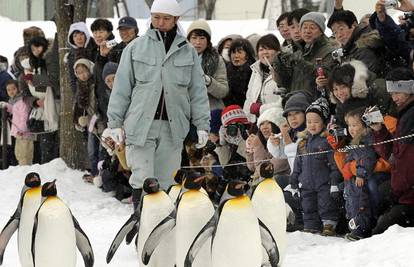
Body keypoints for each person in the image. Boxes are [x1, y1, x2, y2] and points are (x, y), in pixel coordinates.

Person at [105, 0, 210, 210]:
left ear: (176, 20)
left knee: (166, 180)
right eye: (156, 17)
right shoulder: (135, 47)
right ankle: (141, 222)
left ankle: (163, 227)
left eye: (166, 18)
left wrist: (202, 125)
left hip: (173, 126)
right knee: (142, 177)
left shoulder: (187, 51)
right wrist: (115, 122)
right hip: (141, 124)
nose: (160, 22)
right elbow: (121, 89)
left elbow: (197, 92)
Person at [285, 98, 341, 235]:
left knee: (326, 203)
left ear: (324, 122)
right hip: (306, 183)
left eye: (316, 122)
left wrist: (334, 182)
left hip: (324, 182)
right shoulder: (302, 142)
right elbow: (297, 165)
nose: (312, 125)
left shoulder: (327, 142)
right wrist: (294, 182)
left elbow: (334, 165)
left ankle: (329, 224)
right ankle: (311, 225)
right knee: (308, 205)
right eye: (309, 122)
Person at [370, 67, 414, 234]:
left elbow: (407, 163)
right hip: (404, 193)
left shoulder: (411, 115)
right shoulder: (404, 113)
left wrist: (398, 194)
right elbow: (393, 156)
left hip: (409, 197)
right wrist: (379, 130)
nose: (394, 97)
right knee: (381, 194)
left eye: (398, 92)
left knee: (380, 232)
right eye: (392, 93)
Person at [187, 19, 229, 110]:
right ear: (188, 40)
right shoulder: (179, 58)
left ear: (208, 41)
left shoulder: (217, 60)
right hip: (185, 110)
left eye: (202, 38)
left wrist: (209, 81)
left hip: (210, 111)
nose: (198, 42)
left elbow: (223, 91)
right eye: (194, 38)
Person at [327, 9, 383, 75]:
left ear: (354, 25)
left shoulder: (365, 45)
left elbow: (362, 80)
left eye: (341, 29)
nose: (339, 35)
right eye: (335, 32)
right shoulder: (348, 48)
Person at [243, 34, 284, 123]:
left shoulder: (284, 70)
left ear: (278, 51)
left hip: (276, 120)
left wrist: (260, 109)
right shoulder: (256, 70)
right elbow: (249, 96)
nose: (265, 52)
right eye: (261, 49)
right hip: (257, 122)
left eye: (269, 49)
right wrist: (247, 118)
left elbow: (284, 101)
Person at [0, 80, 33, 165]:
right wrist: (6, 105)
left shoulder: (21, 101)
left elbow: (24, 116)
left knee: (24, 154)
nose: (11, 91)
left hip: (24, 133)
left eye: (13, 89)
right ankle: (22, 169)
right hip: (19, 133)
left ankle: (25, 169)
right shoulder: (14, 101)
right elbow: (14, 110)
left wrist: (22, 129)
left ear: (18, 89)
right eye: (9, 90)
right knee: (18, 153)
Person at [223, 38, 256, 107]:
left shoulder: (254, 71)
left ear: (248, 54)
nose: (236, 56)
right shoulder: (226, 69)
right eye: (233, 52)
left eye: (240, 52)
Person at [67, 21, 97, 93]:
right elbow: (73, 80)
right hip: (81, 93)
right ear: (72, 39)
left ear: (86, 35)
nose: (79, 38)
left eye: (81, 34)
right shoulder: (71, 56)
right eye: (75, 36)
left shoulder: (96, 49)